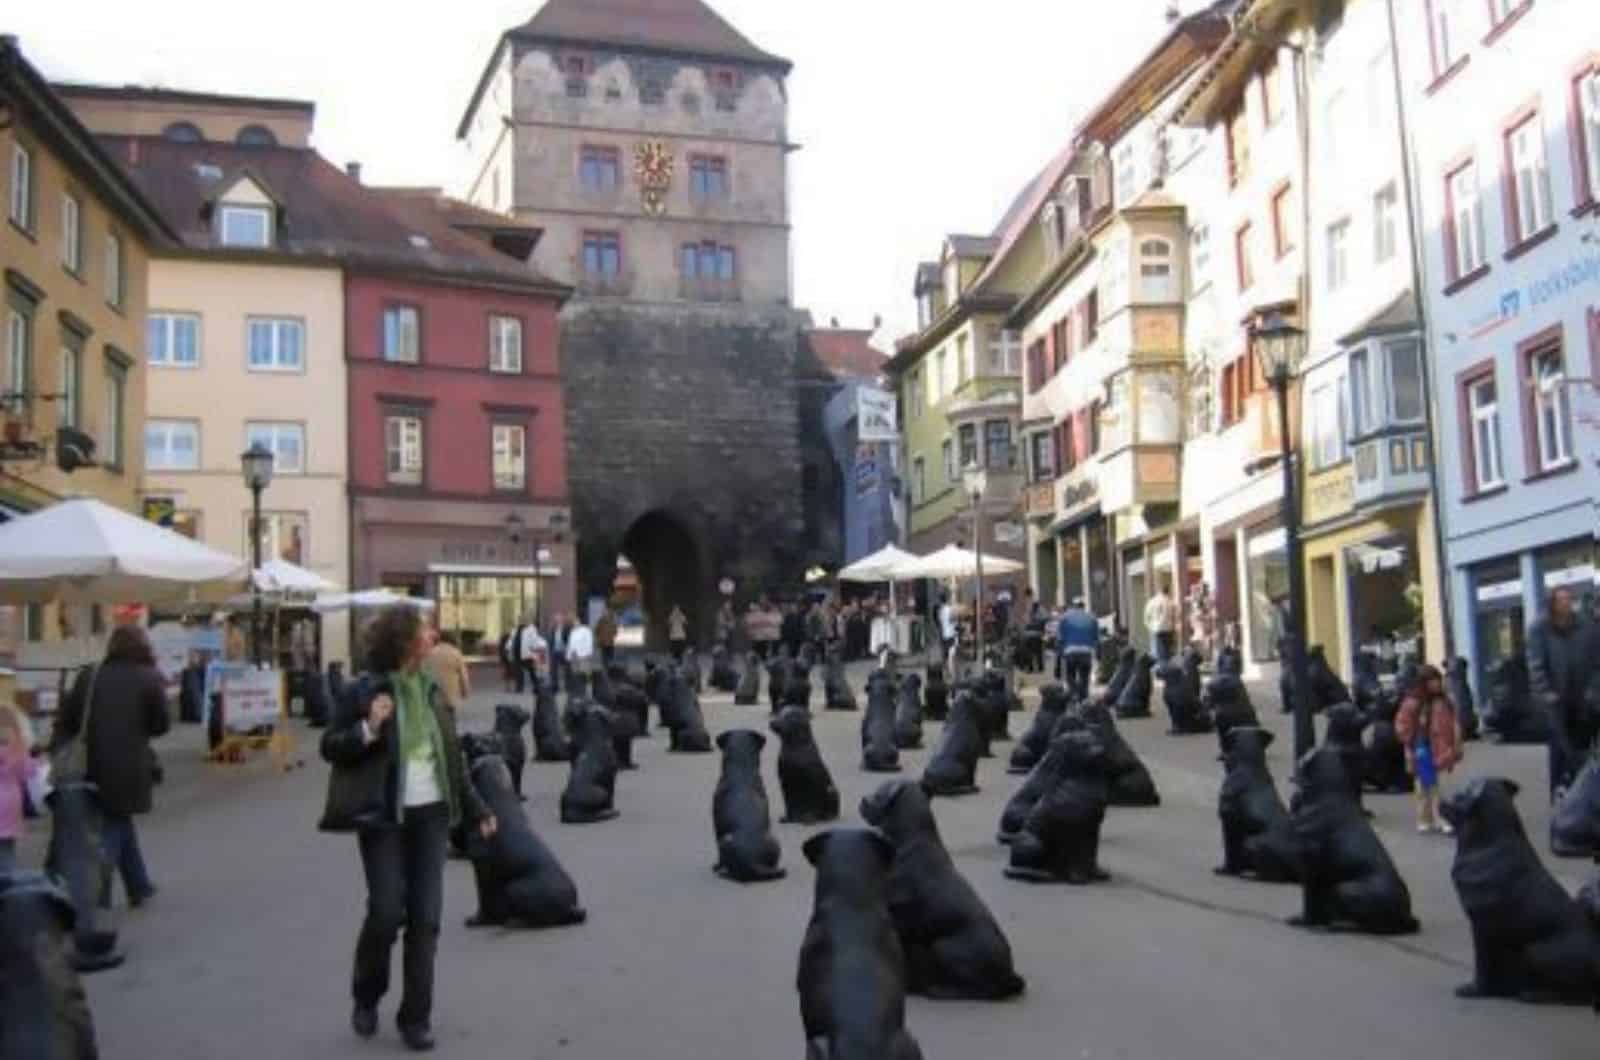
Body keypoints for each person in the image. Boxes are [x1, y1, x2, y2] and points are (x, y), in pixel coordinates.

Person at [321, 604, 495, 1051]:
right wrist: (368, 728)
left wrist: (478, 809)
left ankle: (415, 1017)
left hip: (431, 815)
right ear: (404, 643)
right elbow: (331, 747)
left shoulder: (433, 691)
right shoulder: (366, 691)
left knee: (426, 919)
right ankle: (366, 993)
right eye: (424, 631)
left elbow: (451, 758)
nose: (433, 635)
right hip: (383, 817)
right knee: (385, 911)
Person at [50, 625, 170, 908]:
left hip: (90, 764)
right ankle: (97, 892)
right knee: (115, 821)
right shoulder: (149, 678)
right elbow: (161, 725)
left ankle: (139, 884)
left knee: (117, 816)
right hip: (131, 766)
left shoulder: (89, 676)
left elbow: (68, 718)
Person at [1526, 586, 1598, 800]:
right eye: (1561, 600)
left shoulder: (1586, 626)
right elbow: (1536, 665)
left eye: (1569, 599)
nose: (1567, 604)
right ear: (1552, 603)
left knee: (1583, 749)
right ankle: (1559, 793)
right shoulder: (1539, 628)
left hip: (1583, 698)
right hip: (1555, 702)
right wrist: (1546, 692)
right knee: (1559, 749)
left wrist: (1593, 690)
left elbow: (1597, 663)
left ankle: (1583, 794)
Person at [1394, 664, 1463, 834]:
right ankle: (1427, 818)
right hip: (1422, 749)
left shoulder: (1445, 701)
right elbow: (1402, 725)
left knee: (1440, 786)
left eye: (1438, 680)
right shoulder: (1413, 703)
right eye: (1432, 680)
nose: (1437, 684)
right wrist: (1410, 743)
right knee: (1425, 786)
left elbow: (1455, 724)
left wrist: (1457, 743)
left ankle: (1439, 818)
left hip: (1443, 749)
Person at [0, 699, 39, 872]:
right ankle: (10, 888)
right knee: (7, 851)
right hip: (11, 805)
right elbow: (29, 772)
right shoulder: (17, 747)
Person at [1057, 597, 1100, 700]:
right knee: (1084, 676)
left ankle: (1073, 693)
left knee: (1070, 675)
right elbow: (1096, 638)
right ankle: (1083, 696)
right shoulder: (1092, 618)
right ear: (1083, 606)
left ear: (1073, 606)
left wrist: (1060, 652)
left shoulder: (1064, 618)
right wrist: (1097, 652)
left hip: (1070, 651)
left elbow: (1060, 638)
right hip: (1086, 652)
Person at [423, 630, 470, 713]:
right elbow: (463, 677)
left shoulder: (430, 652)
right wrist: (465, 692)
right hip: (449, 697)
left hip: (431, 695)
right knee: (449, 720)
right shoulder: (456, 653)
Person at [1144, 581, 1176, 664]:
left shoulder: (1152, 602)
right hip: (1169, 629)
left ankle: (1160, 668)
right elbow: (1175, 616)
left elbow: (1146, 617)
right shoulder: (1171, 602)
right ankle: (1167, 667)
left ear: (1158, 591)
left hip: (1157, 629)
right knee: (1168, 652)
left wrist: (1151, 627)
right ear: (1168, 591)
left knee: (1158, 652)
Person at [518, 620, 548, 693]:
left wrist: (534, 650)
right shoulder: (526, 631)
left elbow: (534, 643)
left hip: (535, 654)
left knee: (537, 672)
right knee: (535, 672)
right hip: (532, 654)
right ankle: (538, 687)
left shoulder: (531, 631)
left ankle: (539, 687)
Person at [567, 615, 595, 692]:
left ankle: (587, 690)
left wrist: (588, 653)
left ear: (579, 622)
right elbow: (570, 644)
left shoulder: (586, 630)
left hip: (583, 656)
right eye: (573, 622)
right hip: (574, 656)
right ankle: (578, 690)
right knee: (575, 674)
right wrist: (569, 655)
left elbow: (589, 643)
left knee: (585, 674)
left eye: (576, 621)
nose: (574, 623)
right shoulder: (572, 631)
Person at [547, 613, 571, 693]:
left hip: (564, 651)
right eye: (556, 619)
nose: (558, 620)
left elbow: (569, 639)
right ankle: (555, 687)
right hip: (555, 651)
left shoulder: (567, 628)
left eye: (559, 619)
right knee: (553, 670)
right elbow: (550, 639)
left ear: (562, 620)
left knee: (567, 670)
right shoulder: (553, 628)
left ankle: (568, 686)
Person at [937, 593, 956, 665]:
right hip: (950, 633)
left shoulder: (940, 610)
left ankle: (946, 663)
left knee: (945, 652)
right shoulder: (949, 609)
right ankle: (950, 663)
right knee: (951, 651)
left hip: (944, 634)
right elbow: (953, 619)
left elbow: (939, 622)